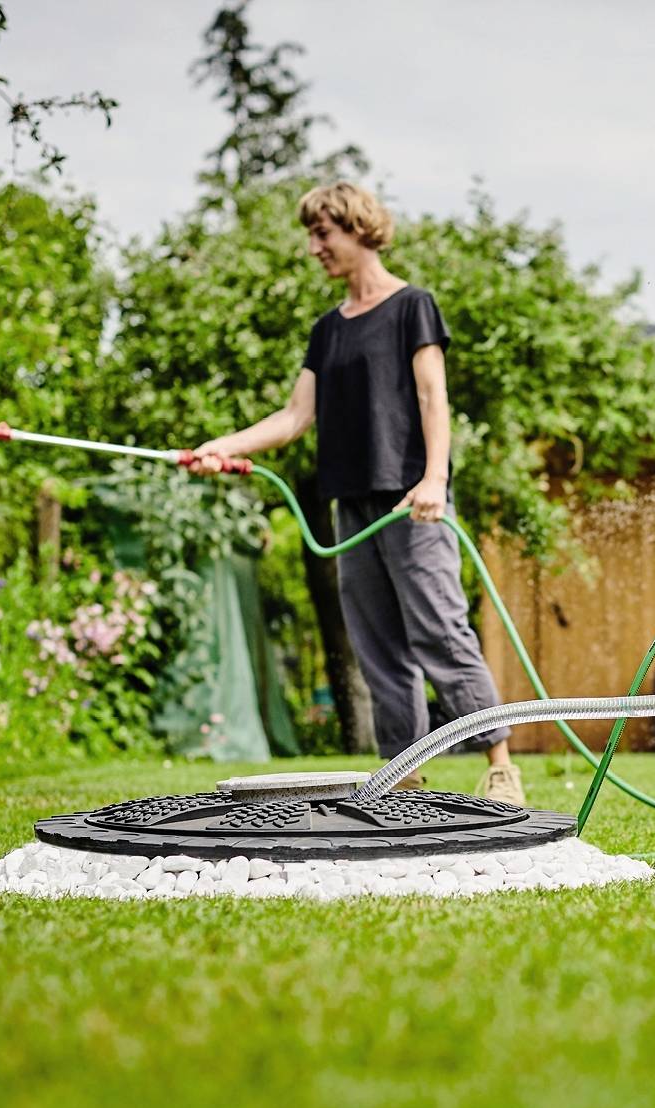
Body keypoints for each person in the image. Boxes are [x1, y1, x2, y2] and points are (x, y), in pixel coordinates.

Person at [190, 182, 523, 804]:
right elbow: (295, 417)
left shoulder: (412, 307)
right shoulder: (327, 330)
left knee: (439, 632)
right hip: (352, 506)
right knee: (378, 647)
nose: (313, 247)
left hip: (413, 500)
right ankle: (404, 775)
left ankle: (500, 763)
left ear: (359, 229)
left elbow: (433, 396)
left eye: (323, 233)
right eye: (311, 235)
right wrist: (223, 446)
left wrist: (435, 478)